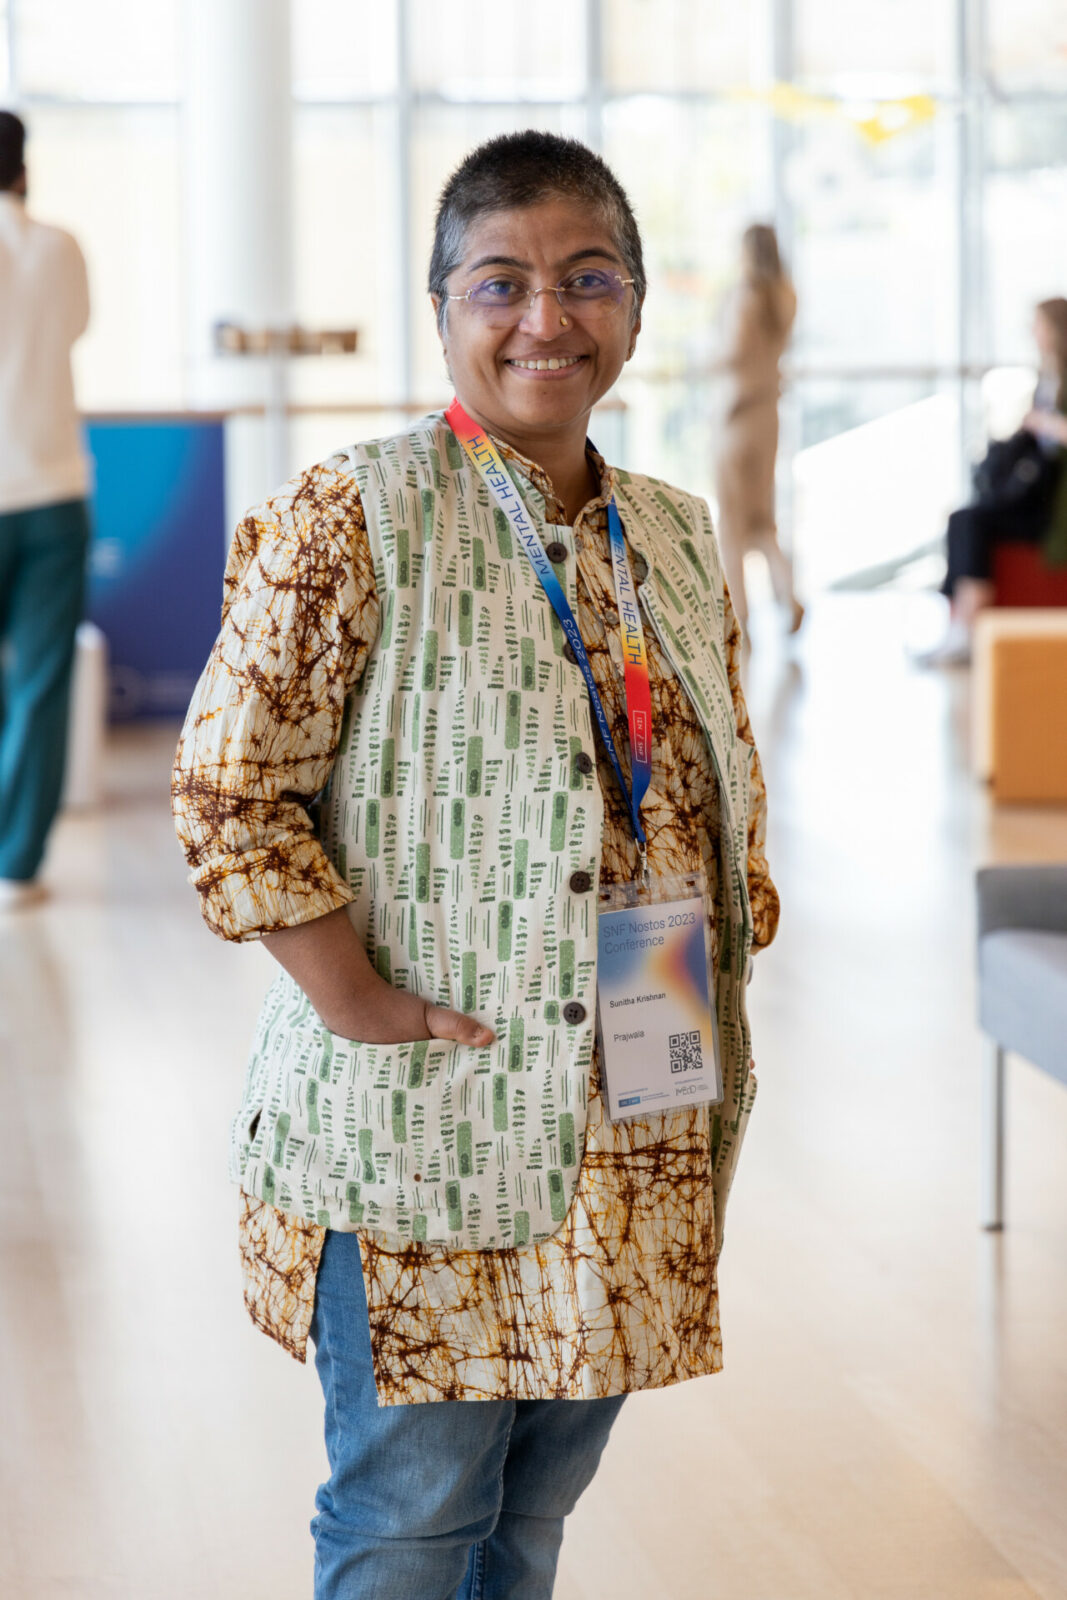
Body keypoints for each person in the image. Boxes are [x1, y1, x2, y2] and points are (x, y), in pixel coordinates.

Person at [173, 129, 779, 1599]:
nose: (544, 319)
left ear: (633, 305)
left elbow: (713, 782)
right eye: (497, 281)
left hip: (635, 1105)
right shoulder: (355, 512)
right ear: (441, 307)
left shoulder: (676, 534)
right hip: (424, 1119)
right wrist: (353, 1000)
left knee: (531, 1512)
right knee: (413, 1518)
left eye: (586, 279)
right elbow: (227, 792)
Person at [0, 110, 91, 909]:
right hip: (54, 489)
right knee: (42, 679)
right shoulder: (57, 247)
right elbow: (75, 329)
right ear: (22, 168)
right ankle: (17, 863)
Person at [922, 297, 1067, 667]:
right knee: (963, 517)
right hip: (1030, 490)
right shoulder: (1046, 380)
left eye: (1038, 325)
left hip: (1051, 505)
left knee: (972, 520)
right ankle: (960, 628)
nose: (1033, 333)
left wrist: (1044, 424)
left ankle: (967, 631)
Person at [713, 222, 802, 634]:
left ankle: (739, 612)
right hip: (770, 414)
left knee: (731, 521)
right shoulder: (785, 296)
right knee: (762, 518)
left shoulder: (745, 298)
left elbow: (732, 354)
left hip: (737, 414)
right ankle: (788, 593)